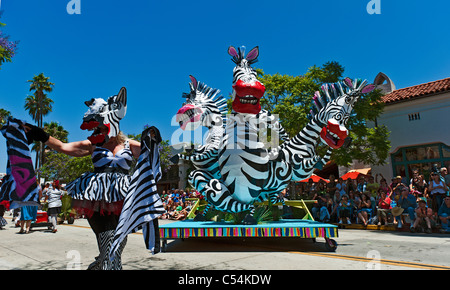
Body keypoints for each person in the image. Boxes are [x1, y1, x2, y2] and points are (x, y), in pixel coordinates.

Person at [22, 88, 164, 269]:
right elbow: (63, 147)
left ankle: (97, 266)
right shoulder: (92, 145)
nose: (97, 129)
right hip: (97, 200)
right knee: (110, 246)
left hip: (123, 199)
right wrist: (40, 134)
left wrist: (153, 139)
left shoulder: (129, 144)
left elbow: (151, 158)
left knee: (116, 247)